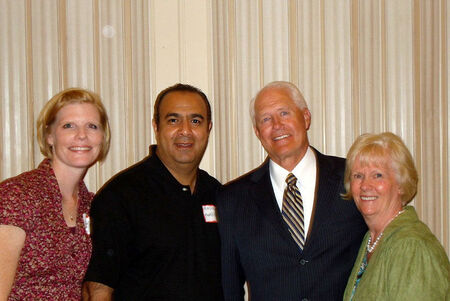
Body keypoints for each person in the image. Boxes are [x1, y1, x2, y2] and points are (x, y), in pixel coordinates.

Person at [216, 81, 367, 300]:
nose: (277, 125)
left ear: (306, 118)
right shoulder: (232, 200)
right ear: (258, 132)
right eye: (266, 119)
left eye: (284, 113)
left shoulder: (353, 177)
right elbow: (229, 288)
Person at [83, 83, 223, 300]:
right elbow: (99, 289)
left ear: (208, 128)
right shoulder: (121, 196)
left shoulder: (218, 194)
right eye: (173, 120)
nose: (185, 130)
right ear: (156, 127)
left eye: (196, 121)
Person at [0, 88, 111, 300]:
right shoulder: (16, 197)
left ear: (102, 137)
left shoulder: (93, 205)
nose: (82, 135)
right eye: (69, 126)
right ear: (50, 136)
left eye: (92, 126)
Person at [342, 132, 449, 300]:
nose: (365, 185)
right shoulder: (371, 240)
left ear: (400, 184)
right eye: (358, 176)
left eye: (378, 175)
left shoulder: (411, 246)